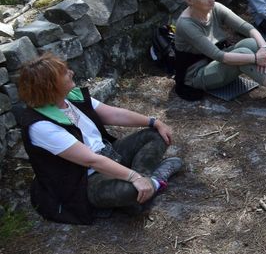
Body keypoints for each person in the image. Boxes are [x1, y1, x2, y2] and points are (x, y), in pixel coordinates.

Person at [15, 53, 182, 224]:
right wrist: (135, 178)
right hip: (84, 180)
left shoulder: (72, 97)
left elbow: (115, 114)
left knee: (155, 134)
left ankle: (144, 190)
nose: (71, 72)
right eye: (64, 73)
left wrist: (154, 121)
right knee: (129, 191)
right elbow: (92, 160)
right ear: (50, 85)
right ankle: (156, 180)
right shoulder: (40, 125)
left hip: (110, 154)